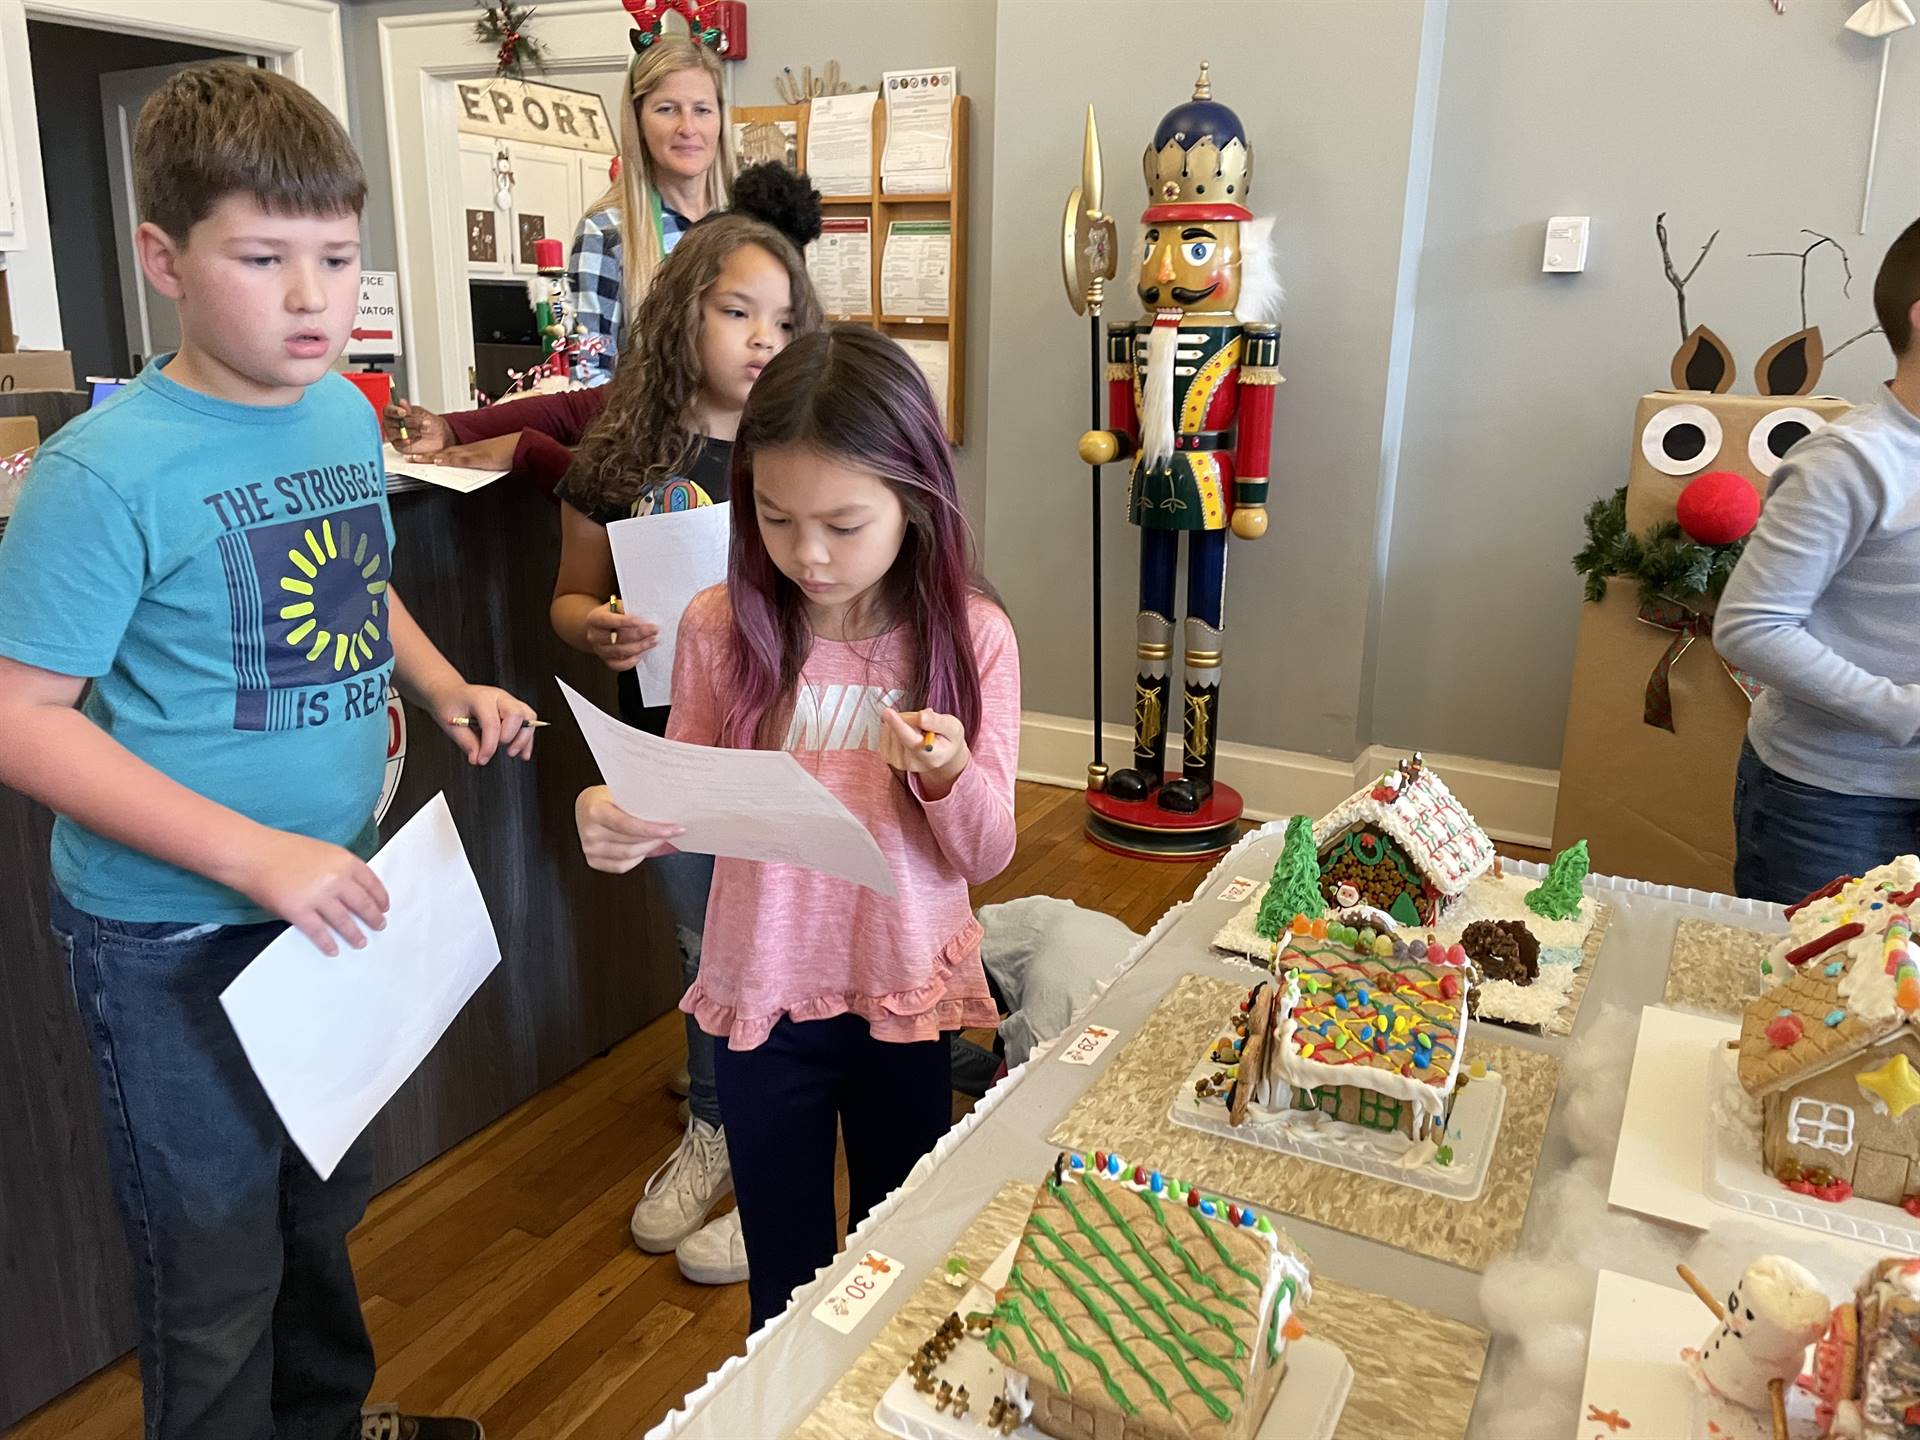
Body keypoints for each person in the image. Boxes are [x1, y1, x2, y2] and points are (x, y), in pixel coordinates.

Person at [0, 65, 536, 1440]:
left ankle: (327, 1427)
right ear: (163, 260)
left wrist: (445, 679)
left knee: (319, 1206)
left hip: (329, 902)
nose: (314, 297)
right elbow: (20, 719)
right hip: (173, 937)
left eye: (338, 258)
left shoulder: (342, 412)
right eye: (264, 257)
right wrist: (257, 857)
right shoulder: (103, 474)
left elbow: (356, 580)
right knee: (216, 1268)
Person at [574, 325, 1020, 1330]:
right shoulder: (719, 628)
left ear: (917, 497)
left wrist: (948, 776)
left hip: (901, 993)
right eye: (775, 521)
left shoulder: (971, 636)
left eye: (844, 524)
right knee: (782, 1280)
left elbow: (989, 853)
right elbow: (682, 804)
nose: (809, 556)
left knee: (889, 1267)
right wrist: (615, 817)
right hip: (760, 994)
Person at [556, 169, 824, 1287]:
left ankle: (784, 1150)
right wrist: (598, 629)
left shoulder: (802, 442)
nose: (764, 337)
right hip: (661, 753)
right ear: (683, 313)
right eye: (737, 311)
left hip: (782, 753)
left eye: (785, 319)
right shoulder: (623, 456)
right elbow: (566, 602)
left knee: (782, 945)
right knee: (698, 950)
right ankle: (714, 1125)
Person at [1716, 216, 1920, 904]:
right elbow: (1750, 629)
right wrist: (1904, 713)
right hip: (1835, 803)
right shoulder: (1850, 462)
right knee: (1805, 1002)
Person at [573, 37, 732, 384]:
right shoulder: (607, 231)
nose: (687, 127)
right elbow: (586, 371)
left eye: (702, 109)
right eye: (667, 109)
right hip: (649, 435)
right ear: (639, 122)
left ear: (720, 120)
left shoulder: (748, 226)